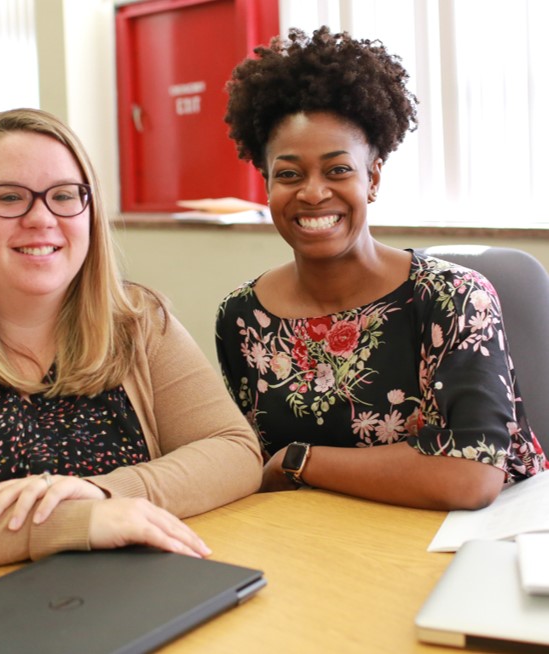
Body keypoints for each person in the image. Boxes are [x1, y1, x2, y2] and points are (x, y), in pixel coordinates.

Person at [0, 108, 262, 604]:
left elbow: (234, 450)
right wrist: (71, 523)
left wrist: (109, 492)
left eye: (63, 196)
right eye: (9, 197)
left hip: (114, 601)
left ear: (90, 212)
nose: (41, 218)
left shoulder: (137, 319)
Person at [215, 26, 546, 511]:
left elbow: (469, 477)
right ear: (266, 185)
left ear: (372, 178)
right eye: (288, 174)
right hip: (324, 542)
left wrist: (299, 460)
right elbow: (249, 460)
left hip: (474, 546)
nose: (312, 192)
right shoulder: (243, 317)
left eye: (337, 170)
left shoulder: (453, 299)